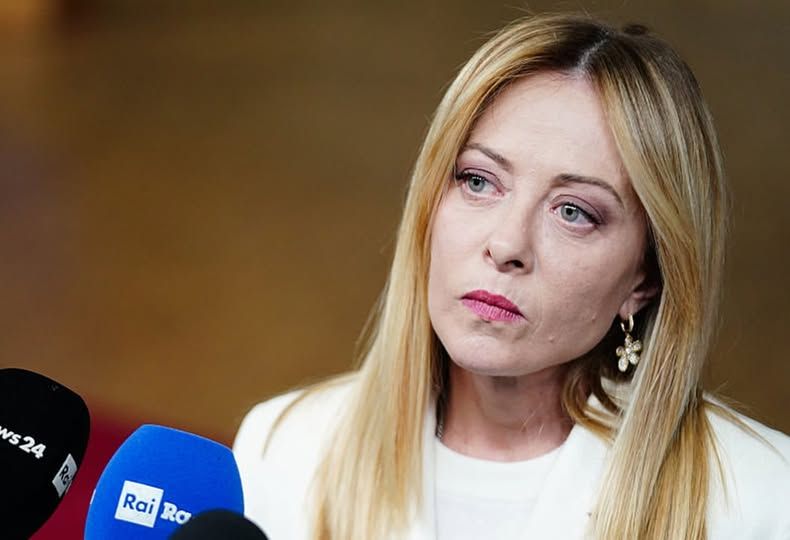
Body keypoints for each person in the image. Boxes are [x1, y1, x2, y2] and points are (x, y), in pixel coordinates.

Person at [233, 12, 790, 540]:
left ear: (644, 280)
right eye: (479, 181)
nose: (506, 245)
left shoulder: (762, 495)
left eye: (574, 211)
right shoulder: (284, 447)